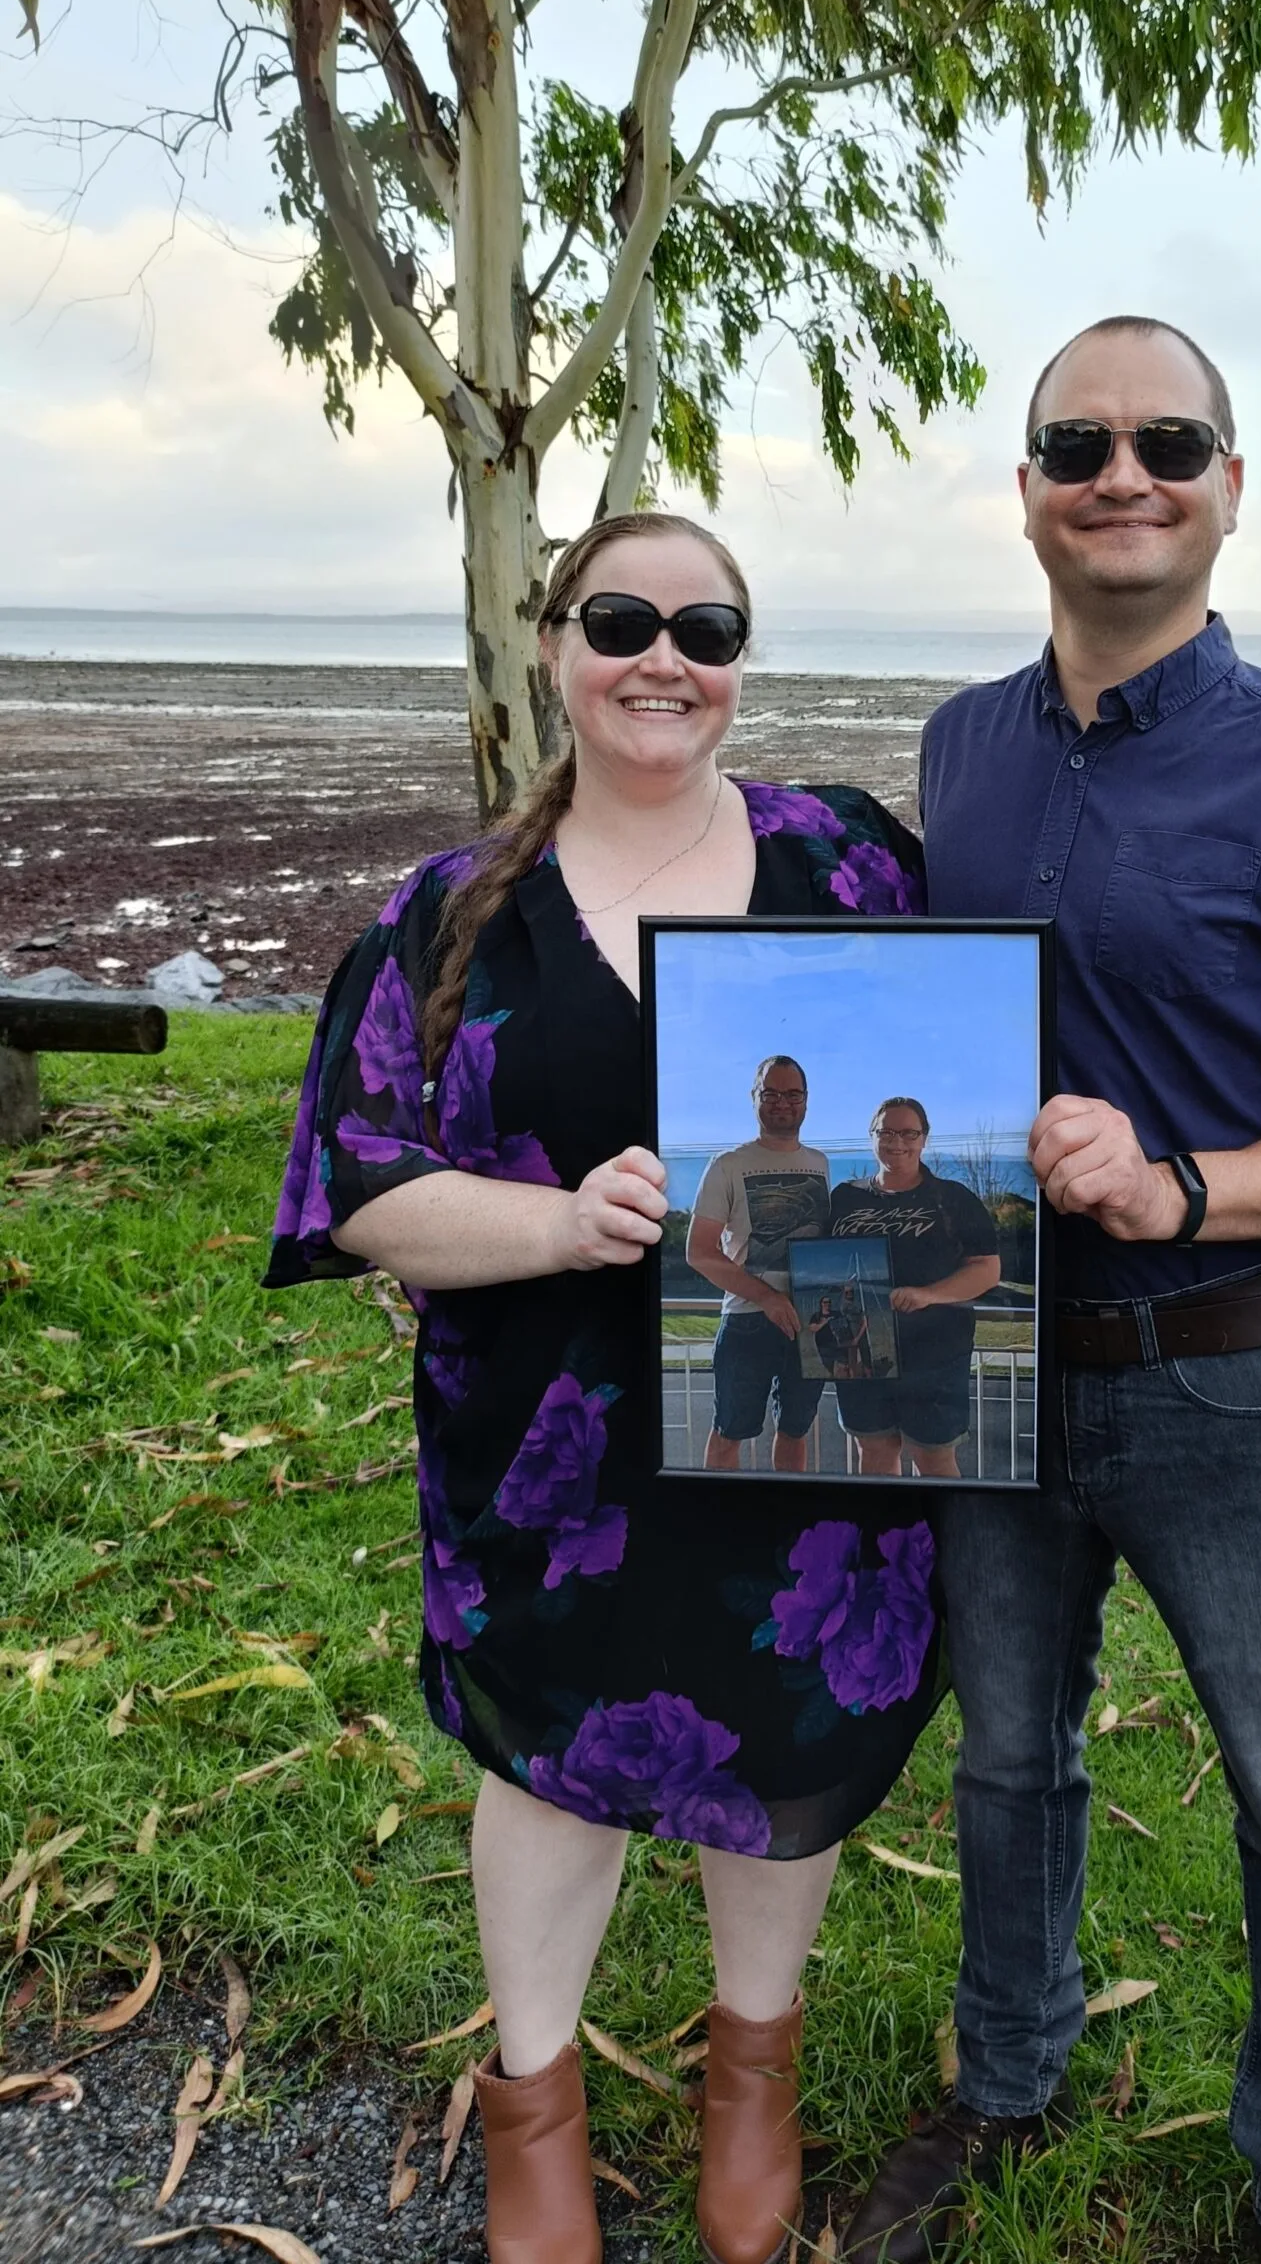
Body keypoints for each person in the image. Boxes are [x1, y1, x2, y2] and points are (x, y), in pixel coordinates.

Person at [842, 318, 1261, 2264]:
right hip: (993, 1354)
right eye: (1080, 441)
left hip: (1232, 1377)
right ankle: (1007, 2077)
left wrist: (1182, 1182)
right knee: (1010, 1756)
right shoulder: (958, 747)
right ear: (1026, 490)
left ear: (1229, 485)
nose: (1126, 468)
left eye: (1169, 437)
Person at [266, 510, 940, 2264]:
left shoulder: (852, 861)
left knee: (782, 1751)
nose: (667, 657)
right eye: (625, 618)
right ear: (555, 643)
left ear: (739, 661)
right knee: (555, 1772)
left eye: (705, 627)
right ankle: (536, 2117)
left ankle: (751, 2080)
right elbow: (360, 1191)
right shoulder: (452, 916)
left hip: (815, 1426)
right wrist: (564, 1223)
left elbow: (960, 1094)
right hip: (549, 1456)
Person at [828, 1099, 1003, 1480]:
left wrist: (928, 1294)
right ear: (872, 1137)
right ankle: (882, 1538)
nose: (897, 1142)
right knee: (873, 1452)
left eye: (909, 1133)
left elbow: (987, 1270)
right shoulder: (844, 1198)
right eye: (886, 1132)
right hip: (862, 1352)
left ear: (924, 1139)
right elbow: (825, 1266)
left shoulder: (953, 1199)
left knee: (934, 1460)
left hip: (935, 1356)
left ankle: (941, 1539)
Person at [687, 1056, 830, 1472]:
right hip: (747, 1321)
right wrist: (767, 1298)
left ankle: (788, 1521)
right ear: (755, 1098)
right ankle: (722, 1522)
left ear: (806, 1101)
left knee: (796, 1431)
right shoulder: (726, 1165)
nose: (782, 1102)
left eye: (792, 1094)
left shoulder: (820, 1164)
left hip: (809, 1324)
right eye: (770, 1092)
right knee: (730, 1432)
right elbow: (699, 1251)